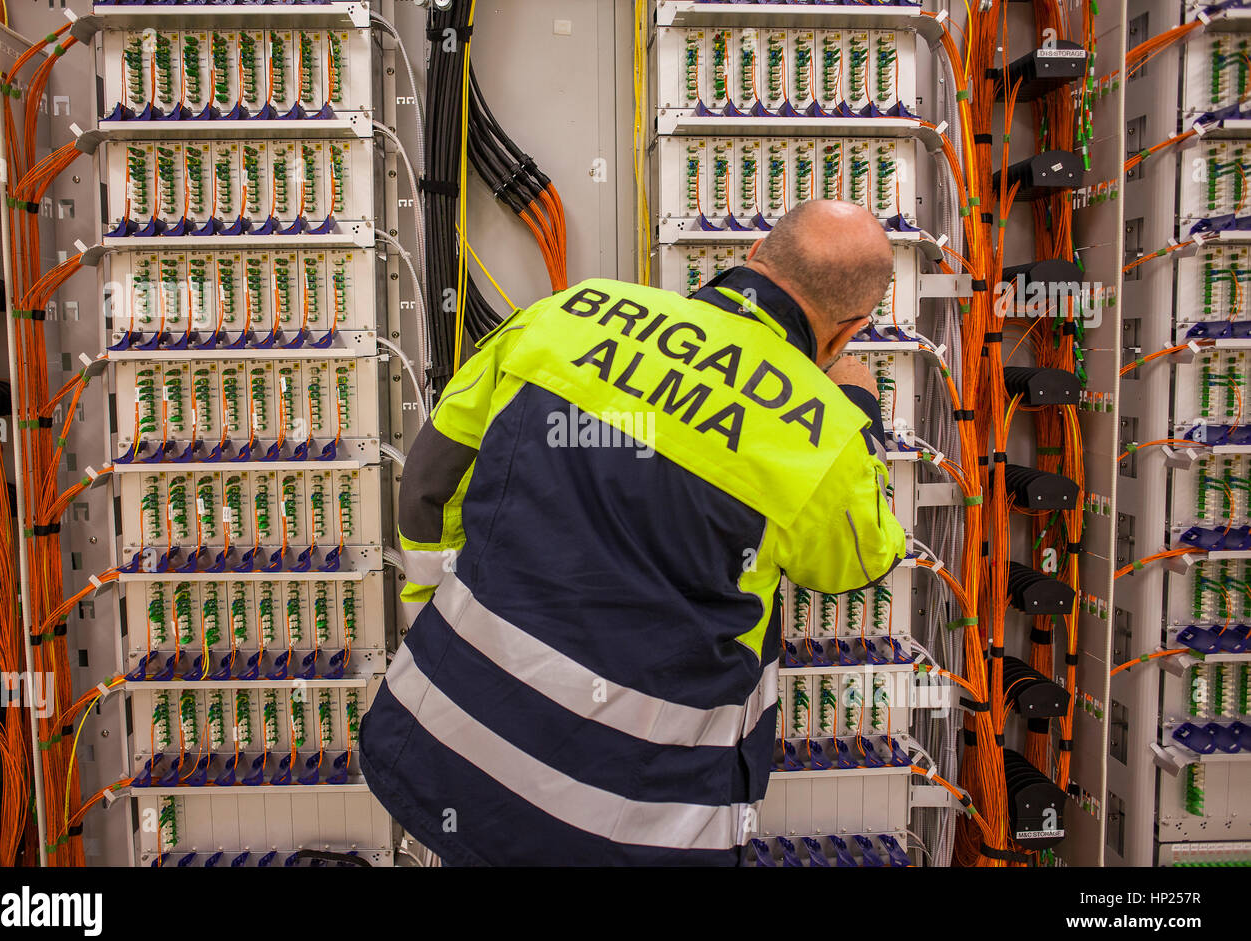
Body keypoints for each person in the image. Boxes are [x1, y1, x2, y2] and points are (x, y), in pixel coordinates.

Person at [359, 199, 907, 865]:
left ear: (757, 250)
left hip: (440, 745)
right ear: (848, 331)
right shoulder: (825, 436)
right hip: (632, 829)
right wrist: (857, 408)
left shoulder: (572, 312)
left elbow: (432, 478)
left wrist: (431, 627)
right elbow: (858, 560)